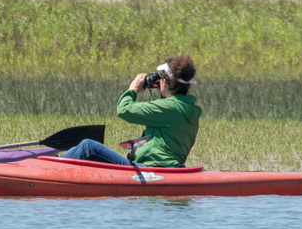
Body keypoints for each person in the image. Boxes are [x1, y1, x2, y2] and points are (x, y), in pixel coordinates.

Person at [63, 55, 202, 167]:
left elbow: (123, 109)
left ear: (164, 82)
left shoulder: (170, 108)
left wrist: (133, 90)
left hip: (151, 169)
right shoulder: (190, 109)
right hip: (170, 168)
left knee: (88, 147)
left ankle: (50, 166)